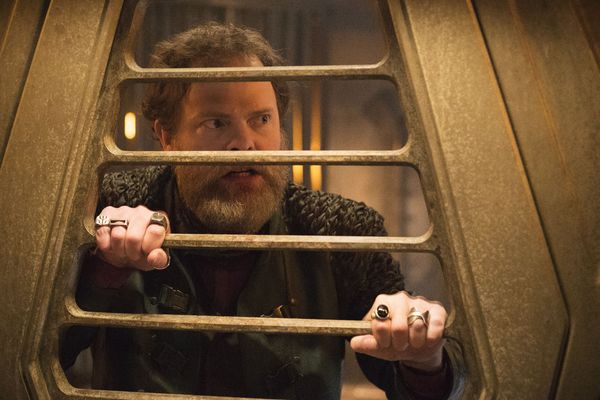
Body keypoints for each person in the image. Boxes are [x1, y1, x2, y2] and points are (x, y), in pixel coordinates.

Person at [61, 22, 464, 399]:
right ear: (167, 137)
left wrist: (422, 356)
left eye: (261, 119)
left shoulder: (339, 230)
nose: (245, 142)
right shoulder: (113, 207)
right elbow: (43, 353)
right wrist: (104, 269)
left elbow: (417, 379)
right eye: (216, 123)